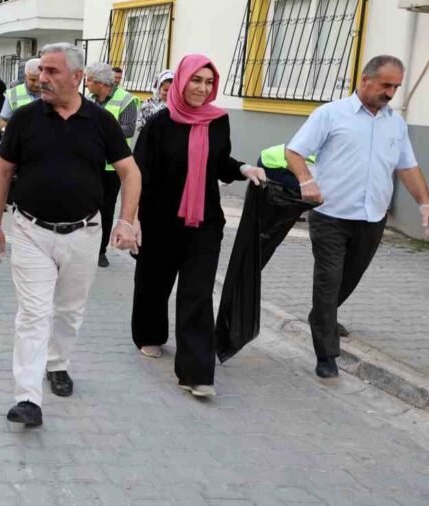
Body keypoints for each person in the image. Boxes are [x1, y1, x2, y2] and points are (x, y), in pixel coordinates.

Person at [0, 43, 139, 427]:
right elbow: (2, 172)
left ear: (76, 78)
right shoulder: (24, 118)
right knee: (33, 315)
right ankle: (27, 397)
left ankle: (58, 363)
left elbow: (130, 172)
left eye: (53, 72)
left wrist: (126, 220)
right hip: (31, 231)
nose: (43, 78)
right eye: (41, 71)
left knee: (69, 312)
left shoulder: (100, 121)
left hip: (84, 233)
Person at [285, 55, 429, 379]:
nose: (391, 93)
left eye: (396, 87)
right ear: (365, 80)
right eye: (385, 85)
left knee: (350, 277)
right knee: (329, 280)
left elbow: (407, 166)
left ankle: (323, 316)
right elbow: (294, 151)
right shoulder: (331, 114)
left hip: (372, 217)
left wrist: (425, 204)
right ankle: (326, 354)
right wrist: (307, 181)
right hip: (330, 215)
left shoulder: (396, 123)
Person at [130, 54, 266, 398]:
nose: (202, 89)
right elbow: (137, 174)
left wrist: (244, 169)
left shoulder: (217, 121)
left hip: (205, 221)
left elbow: (219, 163)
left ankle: (195, 373)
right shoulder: (159, 125)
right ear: (180, 81)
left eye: (209, 82)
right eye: (196, 80)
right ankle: (149, 334)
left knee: (198, 294)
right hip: (160, 221)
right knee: (154, 284)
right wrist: (131, 220)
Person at [86, 61, 140, 268]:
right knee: (87, 206)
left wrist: (99, 130)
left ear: (101, 83)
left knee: (106, 209)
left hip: (112, 166)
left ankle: (100, 251)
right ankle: (86, 248)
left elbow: (127, 129)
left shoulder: (126, 99)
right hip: (91, 163)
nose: (87, 83)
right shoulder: (89, 100)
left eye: (90, 80)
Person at [0, 58, 40, 129]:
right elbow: (2, 121)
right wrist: (9, 134)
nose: (37, 84)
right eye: (32, 80)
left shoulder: (52, 93)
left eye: (40, 79)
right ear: (25, 77)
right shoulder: (13, 93)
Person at [137, 69, 172, 134]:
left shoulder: (177, 106)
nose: (168, 93)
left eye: (171, 90)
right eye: (165, 90)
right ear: (159, 89)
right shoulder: (148, 103)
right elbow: (140, 123)